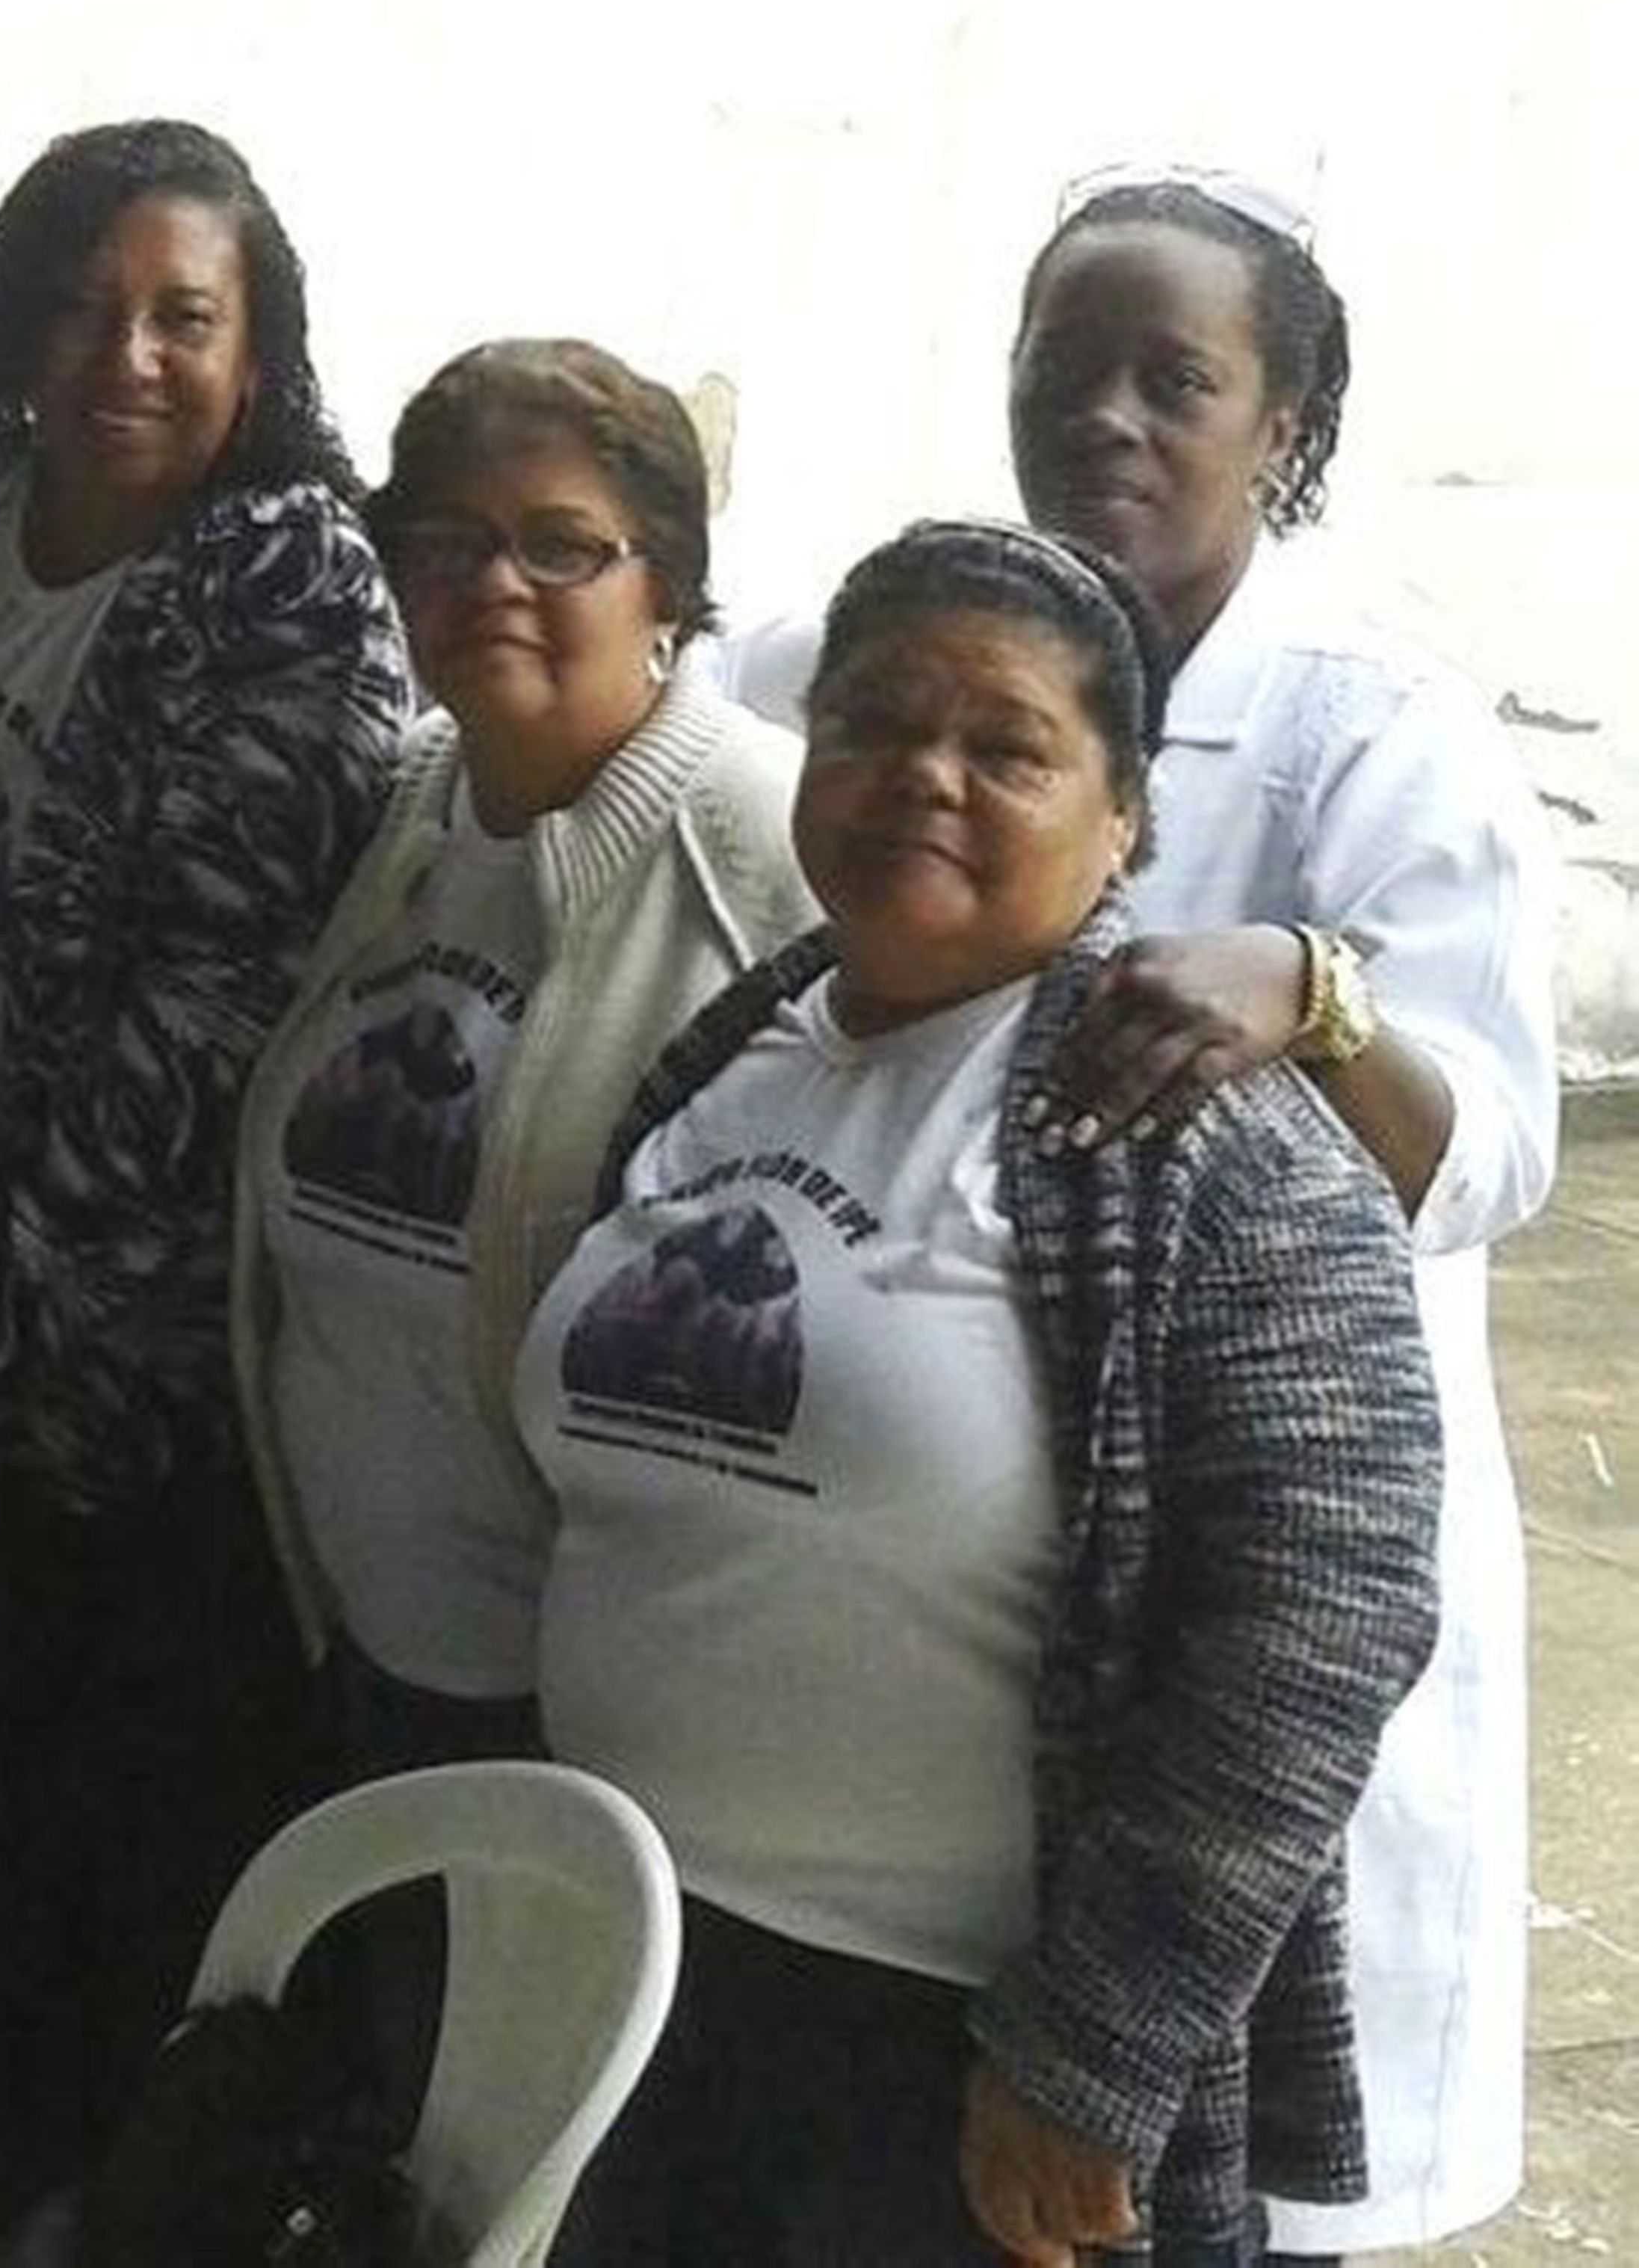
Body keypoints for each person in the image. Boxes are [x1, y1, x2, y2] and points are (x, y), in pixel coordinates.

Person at [527, 520, 1441, 2264]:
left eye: (1004, 747)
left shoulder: (1208, 1140)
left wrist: (1093, 2045)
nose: (918, 778)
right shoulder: (732, 1048)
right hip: (625, 1977)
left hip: (954, 2064)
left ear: (1122, 820)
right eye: (866, 725)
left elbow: (1322, 1610)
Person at [0, 116, 408, 2240]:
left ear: (255, 348)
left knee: (41, 1962)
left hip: (98, 1400)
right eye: (81, 306)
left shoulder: (285, 576)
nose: (126, 356)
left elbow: (198, 1044)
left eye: (180, 318)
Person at [996, 176, 1558, 2258]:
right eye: (1066, 370)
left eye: (1177, 381)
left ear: (1283, 429)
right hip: (1027, 1564)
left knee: (1246, 2166)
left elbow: (1488, 1146)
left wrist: (1311, 990)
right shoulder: (956, 661)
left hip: (1288, 1541)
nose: (1108, 420)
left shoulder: (1368, 733)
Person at [232, 341, 812, 1778]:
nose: (495, 583)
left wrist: (1307, 985)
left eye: (560, 547)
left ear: (664, 585)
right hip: (353, 1654)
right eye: (447, 544)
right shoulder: (403, 799)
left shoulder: (773, 841)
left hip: (597, 1721)